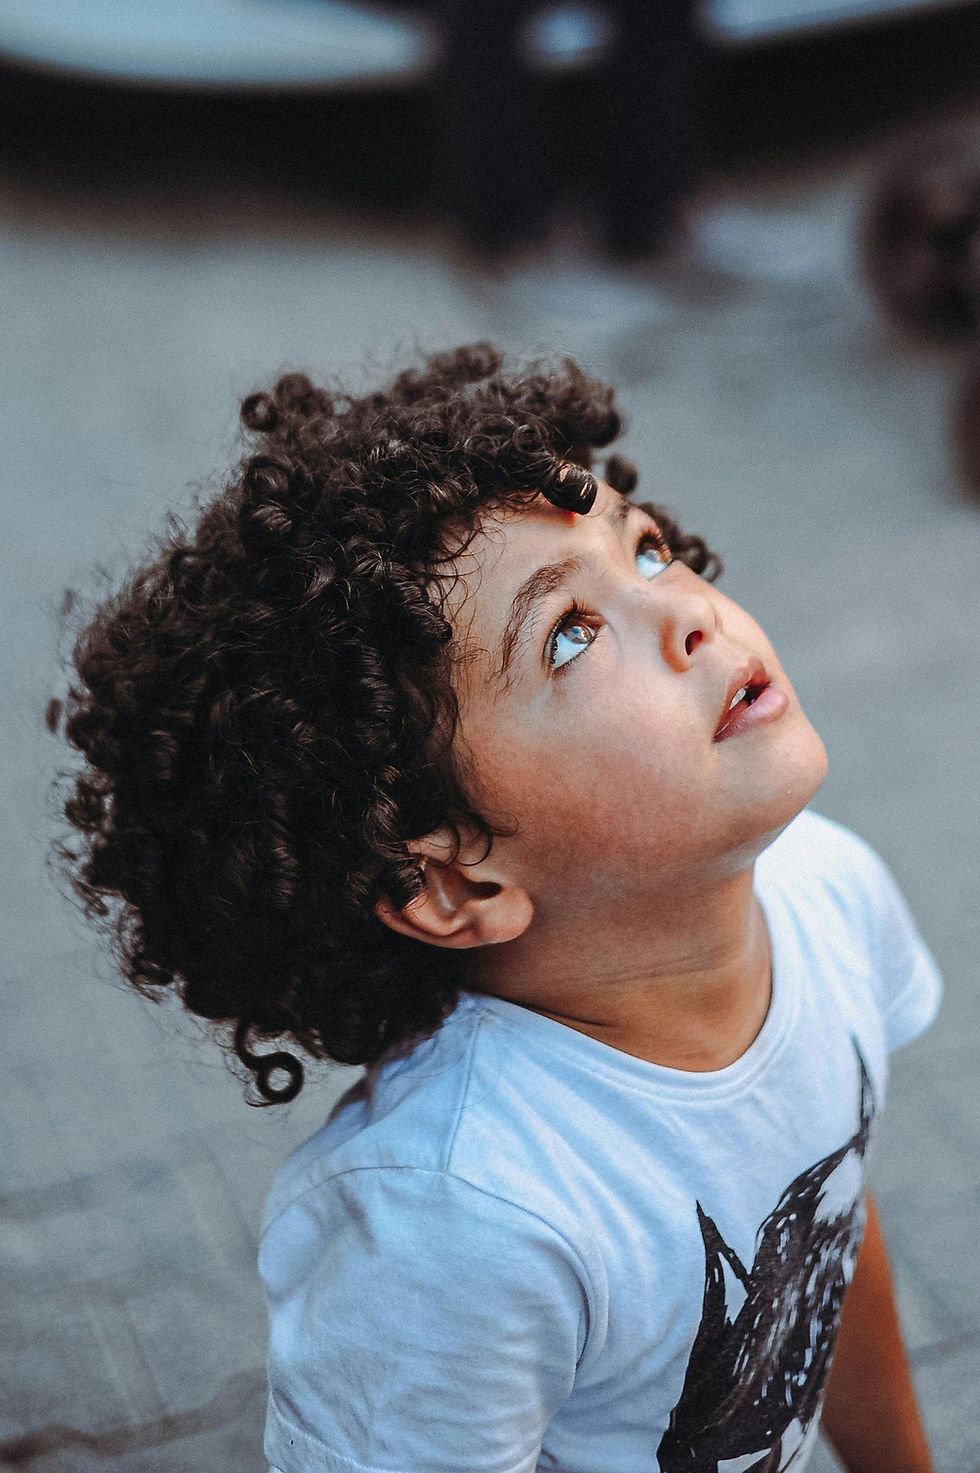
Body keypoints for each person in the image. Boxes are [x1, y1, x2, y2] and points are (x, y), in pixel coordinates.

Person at [52, 343, 941, 1473]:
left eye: (647, 549)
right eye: (569, 633)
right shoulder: (461, 1220)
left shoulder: (827, 890)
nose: (688, 617)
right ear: (456, 881)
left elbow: (828, 1234)